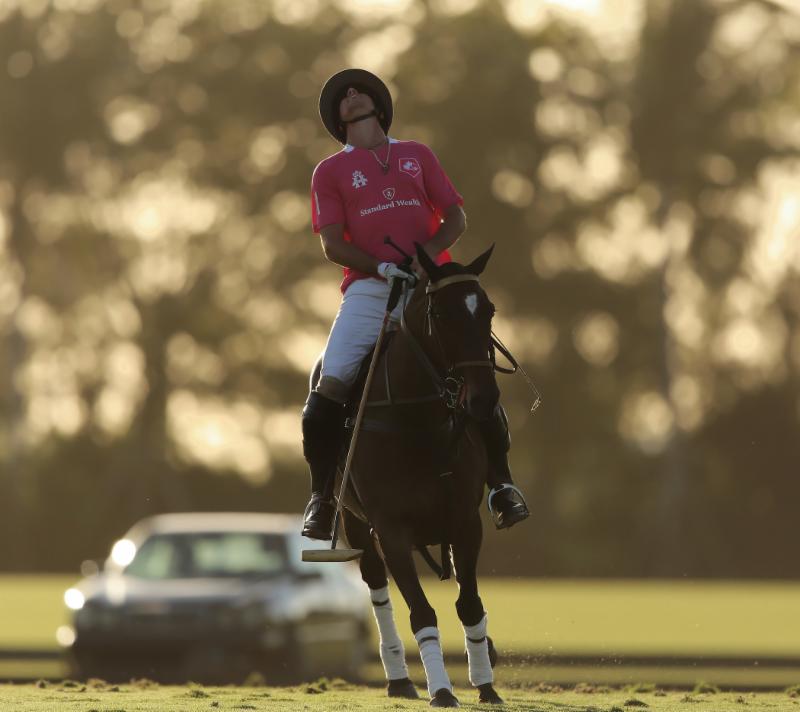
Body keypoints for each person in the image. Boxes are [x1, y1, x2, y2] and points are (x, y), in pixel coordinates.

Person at [301, 68, 529, 540]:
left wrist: (425, 262)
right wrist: (383, 268)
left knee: (476, 370)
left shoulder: (416, 155)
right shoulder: (329, 171)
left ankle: (501, 486)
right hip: (369, 291)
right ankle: (322, 500)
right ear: (338, 117)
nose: (351, 94)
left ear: (378, 106)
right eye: (343, 95)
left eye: (359, 90)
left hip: (431, 287)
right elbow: (332, 244)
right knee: (330, 384)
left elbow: (456, 218)